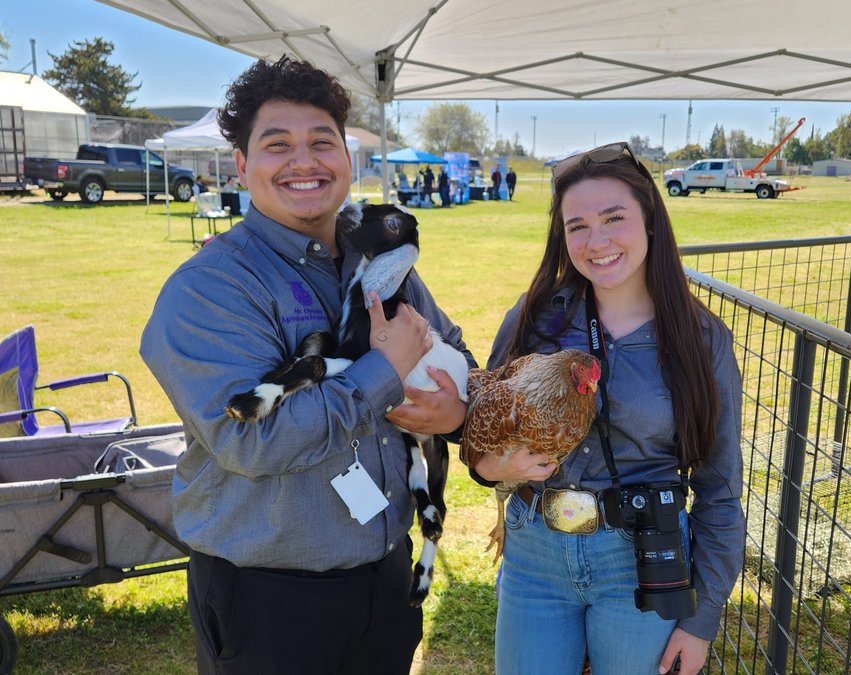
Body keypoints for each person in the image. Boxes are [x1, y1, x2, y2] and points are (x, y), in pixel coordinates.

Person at [141, 56, 473, 675]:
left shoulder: (382, 262)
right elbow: (253, 439)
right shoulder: (210, 288)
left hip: (385, 580)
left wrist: (454, 410)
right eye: (277, 144)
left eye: (322, 142)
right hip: (270, 602)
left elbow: (455, 349)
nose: (304, 161)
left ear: (347, 158)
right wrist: (385, 371)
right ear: (242, 164)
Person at [464, 142, 744, 675]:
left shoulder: (700, 339)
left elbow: (721, 490)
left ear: (651, 221)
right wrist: (491, 469)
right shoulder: (533, 320)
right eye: (577, 226)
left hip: (642, 560)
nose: (597, 241)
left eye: (614, 218)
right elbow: (480, 434)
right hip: (535, 555)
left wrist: (699, 621)